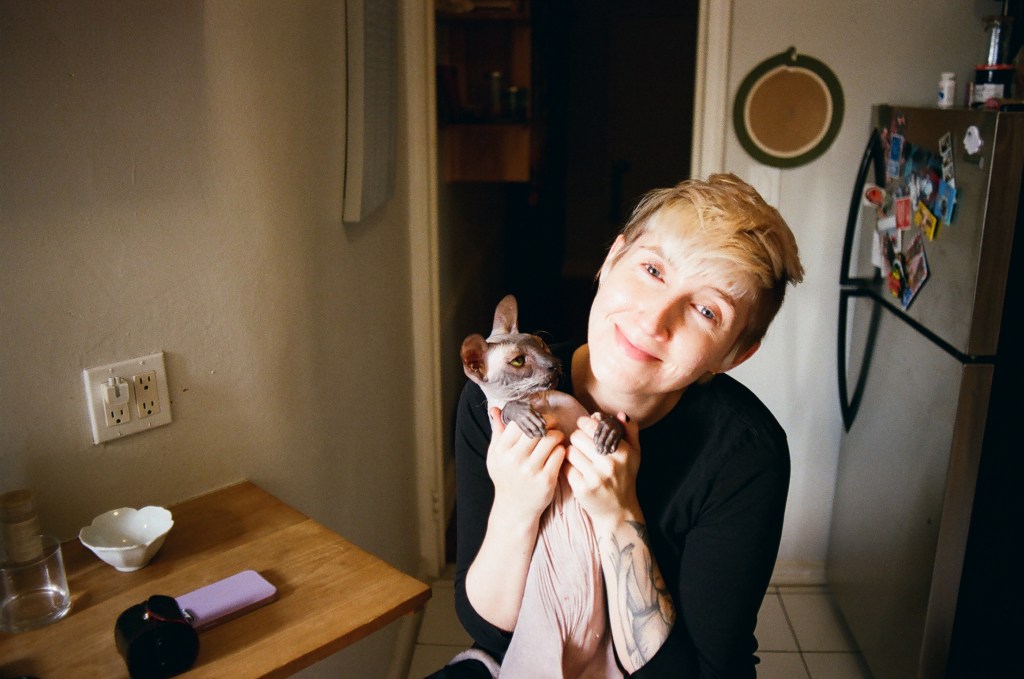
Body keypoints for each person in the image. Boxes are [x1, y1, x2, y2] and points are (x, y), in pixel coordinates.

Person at [436, 173, 804, 678]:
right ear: (612, 259)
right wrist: (516, 506)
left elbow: (711, 672)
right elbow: (490, 630)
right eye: (652, 269)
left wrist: (618, 517)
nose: (655, 320)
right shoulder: (497, 401)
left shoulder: (745, 455)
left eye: (705, 309)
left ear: (736, 355)